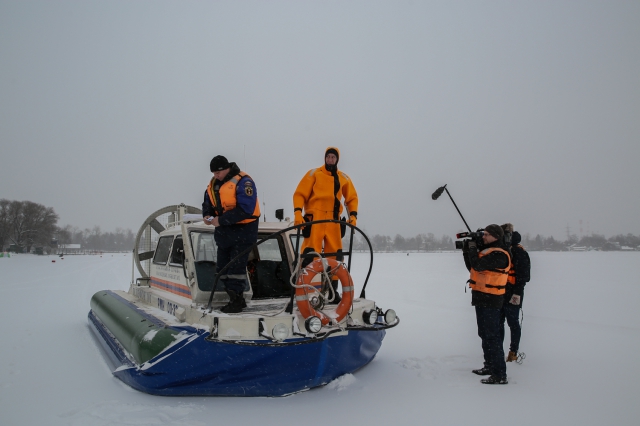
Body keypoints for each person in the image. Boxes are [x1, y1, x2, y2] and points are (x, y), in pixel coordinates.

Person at [293, 147, 358, 303]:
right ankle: (304, 290)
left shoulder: (343, 178)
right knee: (310, 254)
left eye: (333, 157)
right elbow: (300, 193)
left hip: (334, 221)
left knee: (335, 257)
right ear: (325, 158)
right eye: (328, 157)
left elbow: (352, 198)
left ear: (337, 160)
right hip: (314, 219)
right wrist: (297, 213)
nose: (330, 159)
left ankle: (332, 292)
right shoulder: (314, 174)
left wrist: (353, 216)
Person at [202, 155, 260, 313]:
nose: (215, 176)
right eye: (213, 173)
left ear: (226, 169)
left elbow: (246, 209)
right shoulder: (213, 185)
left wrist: (221, 220)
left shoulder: (244, 182)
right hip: (224, 234)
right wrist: (207, 214)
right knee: (222, 269)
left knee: (236, 269)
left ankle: (237, 300)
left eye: (217, 172)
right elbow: (207, 202)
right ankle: (234, 298)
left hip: (243, 232)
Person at [463, 224, 511, 384]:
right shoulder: (487, 252)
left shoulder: (500, 254)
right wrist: (467, 249)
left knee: (492, 337)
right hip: (481, 298)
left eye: (486, 234)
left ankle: (499, 374)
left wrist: (472, 248)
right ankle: (489, 365)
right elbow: (472, 267)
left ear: (496, 236)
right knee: (484, 334)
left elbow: (478, 264)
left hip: (492, 299)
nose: (483, 237)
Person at [500, 223, 531, 362]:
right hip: (500, 293)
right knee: (498, 322)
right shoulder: (502, 249)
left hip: (514, 293)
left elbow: (524, 277)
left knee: (513, 322)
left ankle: (513, 352)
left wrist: (516, 294)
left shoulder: (519, 252)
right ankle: (497, 350)